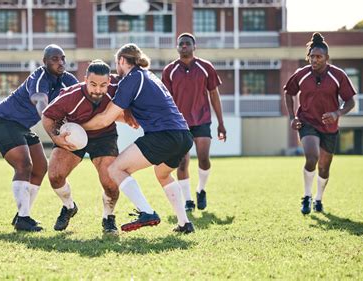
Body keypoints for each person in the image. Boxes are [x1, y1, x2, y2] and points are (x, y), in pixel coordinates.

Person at [82, 44, 195, 234]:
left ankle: (147, 212)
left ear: (122, 61)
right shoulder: (148, 75)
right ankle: (185, 223)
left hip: (162, 135)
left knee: (116, 169)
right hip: (183, 135)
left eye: (117, 63)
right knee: (163, 174)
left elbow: (105, 119)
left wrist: (78, 126)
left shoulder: (132, 79)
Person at [0, 44, 78, 231]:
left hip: (22, 126)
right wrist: (53, 128)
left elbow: (80, 99)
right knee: (24, 165)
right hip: (2, 121)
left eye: (62, 58)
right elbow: (40, 101)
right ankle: (23, 218)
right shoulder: (39, 77)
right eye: (55, 59)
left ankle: (22, 215)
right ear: (45, 62)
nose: (60, 62)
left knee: (40, 167)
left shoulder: (68, 79)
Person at [42, 59, 135, 234]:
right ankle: (69, 206)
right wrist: (56, 138)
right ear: (85, 79)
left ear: (109, 82)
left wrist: (130, 112)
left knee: (110, 182)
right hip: (74, 134)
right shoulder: (70, 96)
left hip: (104, 136)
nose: (98, 90)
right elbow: (47, 116)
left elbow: (135, 83)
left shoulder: (117, 87)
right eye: (93, 84)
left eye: (103, 85)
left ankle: (108, 217)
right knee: (55, 175)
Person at [284, 32, 356, 214]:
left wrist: (337, 113)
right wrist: (293, 117)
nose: (315, 60)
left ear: (327, 58)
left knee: (324, 167)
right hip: (307, 122)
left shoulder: (338, 75)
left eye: (319, 57)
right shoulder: (300, 74)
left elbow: (350, 101)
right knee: (311, 156)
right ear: (308, 57)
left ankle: (318, 199)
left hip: (329, 126)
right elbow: (289, 93)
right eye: (312, 56)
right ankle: (307, 196)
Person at [162, 33, 226, 212]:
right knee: (182, 163)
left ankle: (201, 190)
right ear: (177, 47)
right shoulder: (170, 70)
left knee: (204, 159)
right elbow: (166, 100)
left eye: (187, 43)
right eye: (181, 44)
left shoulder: (206, 67)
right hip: (180, 123)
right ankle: (188, 200)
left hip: (202, 120)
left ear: (194, 46)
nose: (184, 46)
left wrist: (221, 123)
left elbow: (214, 95)